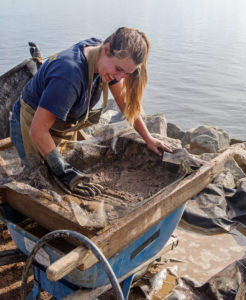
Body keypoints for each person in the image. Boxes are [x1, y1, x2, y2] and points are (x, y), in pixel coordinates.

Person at [10, 27, 172, 196]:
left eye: (126, 74)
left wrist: (148, 138)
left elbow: (125, 103)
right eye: (118, 69)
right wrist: (64, 172)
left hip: (60, 124)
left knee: (70, 173)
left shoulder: (102, 56)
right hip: (31, 124)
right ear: (107, 49)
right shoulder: (68, 75)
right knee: (46, 186)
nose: (118, 78)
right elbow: (38, 131)